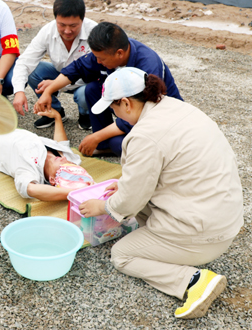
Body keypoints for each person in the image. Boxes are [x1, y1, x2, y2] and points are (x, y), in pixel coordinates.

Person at [78, 67, 243, 320]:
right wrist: (126, 183)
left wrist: (101, 206)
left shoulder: (144, 135)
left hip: (205, 234)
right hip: (224, 217)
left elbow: (129, 201)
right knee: (136, 204)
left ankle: (193, 280)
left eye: (114, 108)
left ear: (126, 103)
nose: (115, 114)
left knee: (121, 255)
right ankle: (168, 246)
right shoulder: (176, 107)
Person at [34, 22, 182, 157]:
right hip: (130, 109)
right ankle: (104, 145)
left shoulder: (148, 65)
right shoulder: (107, 51)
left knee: (120, 145)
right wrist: (49, 90)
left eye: (102, 59)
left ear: (119, 53)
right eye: (96, 57)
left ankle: (110, 143)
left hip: (160, 119)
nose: (98, 61)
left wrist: (96, 136)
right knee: (92, 89)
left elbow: (142, 111)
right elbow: (78, 68)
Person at [11, 0, 97, 130]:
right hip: (59, 74)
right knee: (34, 70)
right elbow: (24, 62)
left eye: (73, 25)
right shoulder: (47, 31)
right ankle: (54, 111)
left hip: (86, 81)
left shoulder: (94, 32)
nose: (67, 31)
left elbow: (99, 73)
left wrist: (56, 85)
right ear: (55, 18)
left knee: (84, 93)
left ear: (83, 19)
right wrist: (19, 91)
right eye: (61, 25)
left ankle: (85, 114)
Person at [0, 109, 94, 201]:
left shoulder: (30, 170)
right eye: (70, 163)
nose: (65, 159)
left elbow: (30, 189)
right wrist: (57, 117)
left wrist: (73, 193)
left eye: (65, 167)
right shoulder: (61, 156)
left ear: (52, 179)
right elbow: (62, 144)